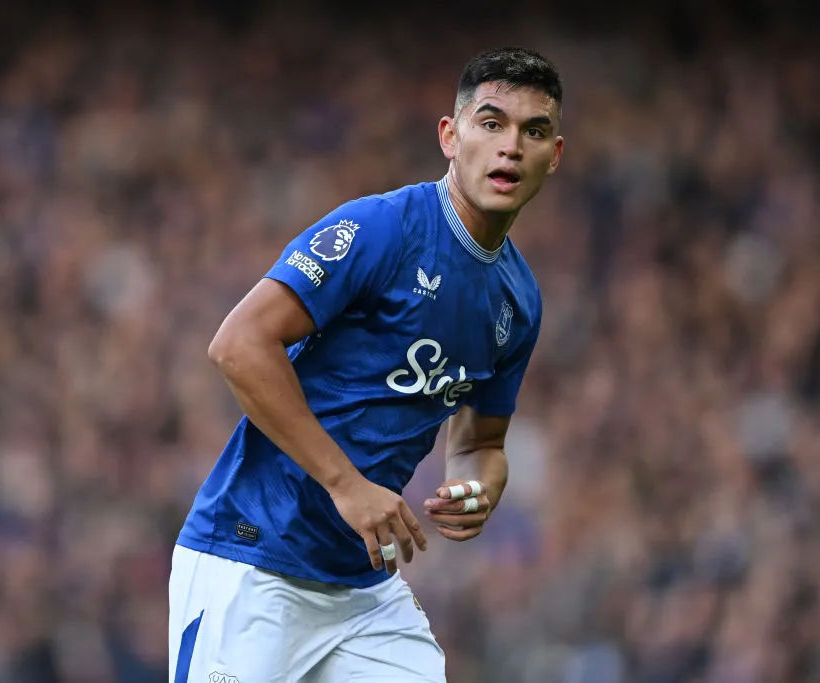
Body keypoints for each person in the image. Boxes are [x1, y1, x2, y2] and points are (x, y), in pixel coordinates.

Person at [169, 46, 565, 683]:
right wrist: (346, 484)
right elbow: (239, 346)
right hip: (252, 557)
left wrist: (477, 489)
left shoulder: (518, 302)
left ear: (555, 154)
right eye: (492, 124)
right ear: (450, 135)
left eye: (533, 131)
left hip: (362, 589)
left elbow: (481, 442)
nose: (511, 147)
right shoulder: (383, 229)